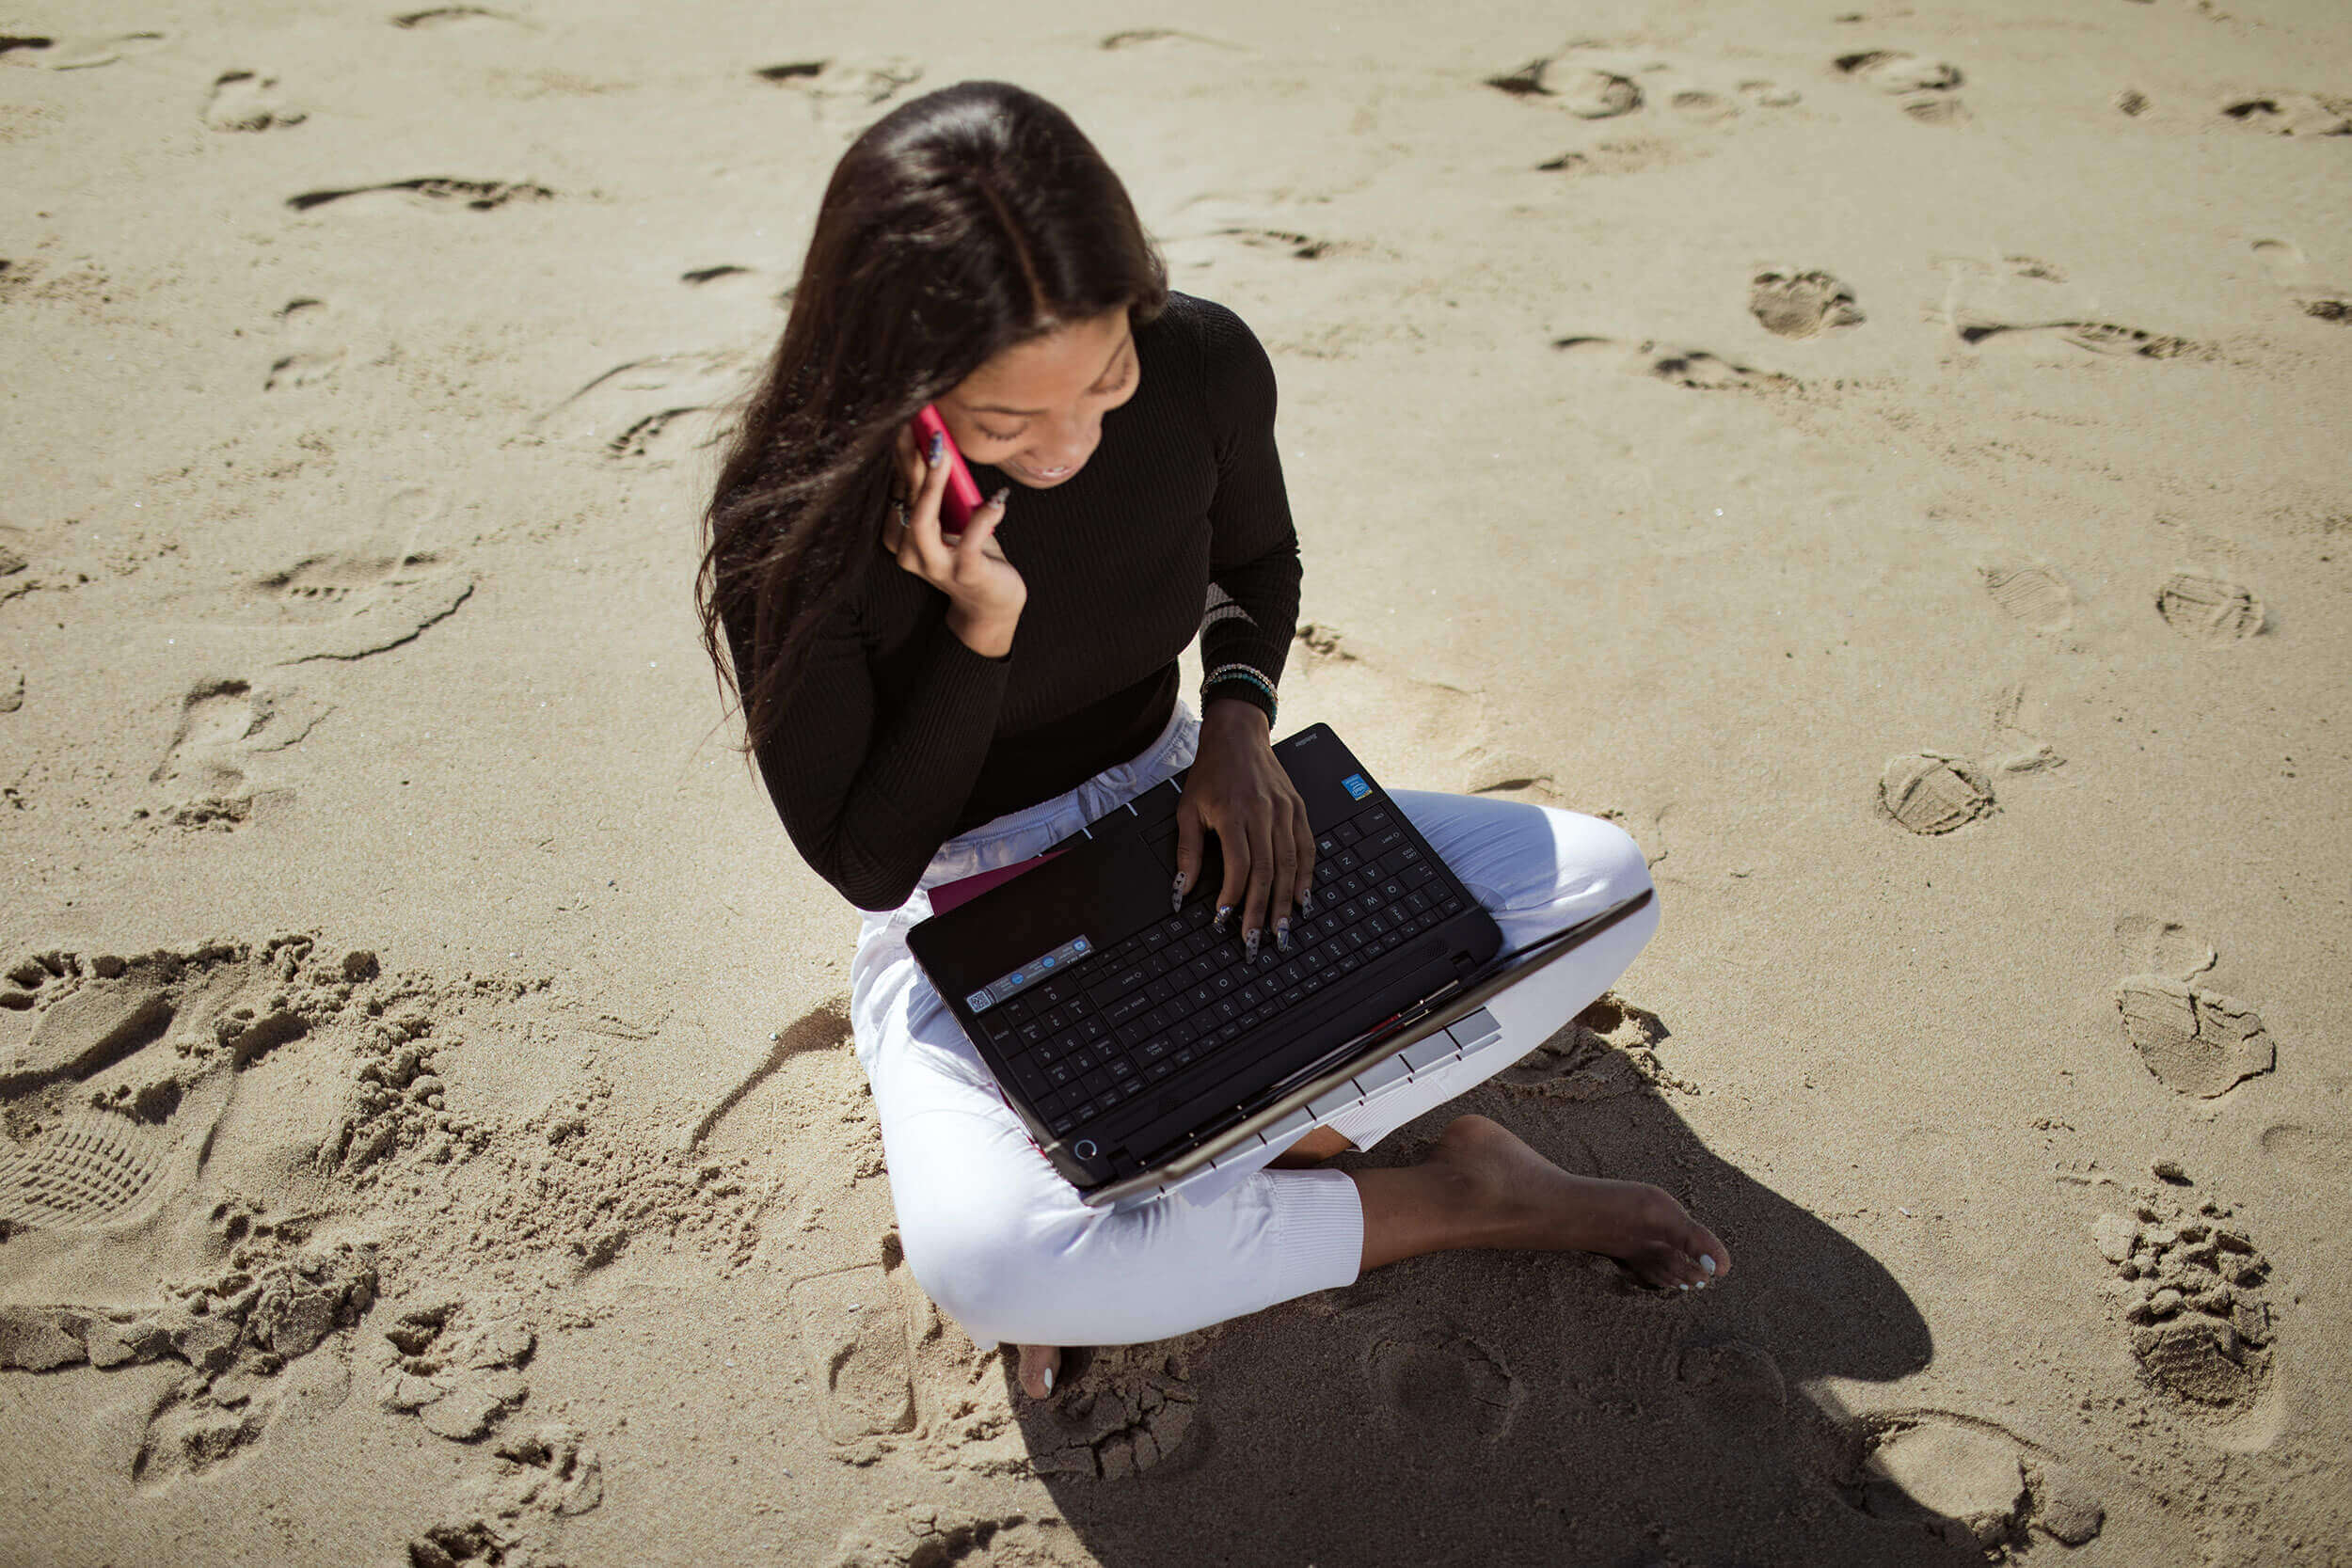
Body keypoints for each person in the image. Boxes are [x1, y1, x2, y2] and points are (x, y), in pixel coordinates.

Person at [695, 80, 1729, 1402]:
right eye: (1010, 422)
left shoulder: (1200, 361)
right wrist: (977, 626)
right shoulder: (789, 522)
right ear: (900, 385)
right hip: (969, 910)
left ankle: (1161, 1181)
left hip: (1184, 809)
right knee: (997, 1265)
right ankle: (1464, 1197)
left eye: (1106, 380)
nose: (1070, 448)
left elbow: (1255, 558)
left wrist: (1236, 722)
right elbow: (871, 860)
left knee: (1602, 889)